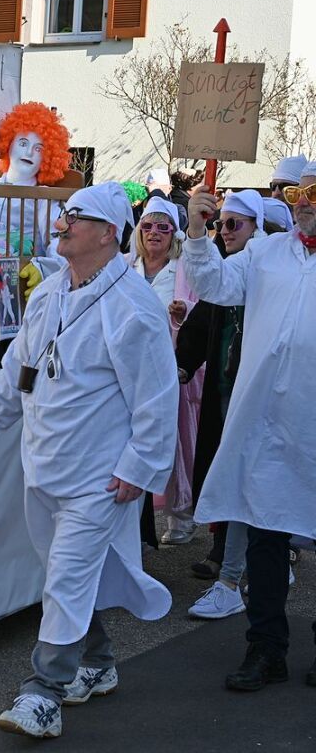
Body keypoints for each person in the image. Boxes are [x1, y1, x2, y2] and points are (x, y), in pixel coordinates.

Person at [0, 182, 178, 739]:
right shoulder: (49, 293)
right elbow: (18, 366)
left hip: (99, 477)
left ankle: (43, 693)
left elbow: (157, 396)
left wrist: (138, 467)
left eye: (78, 217)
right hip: (44, 464)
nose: (64, 222)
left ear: (106, 234)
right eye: (67, 214)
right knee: (64, 575)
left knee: (68, 579)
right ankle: (96, 662)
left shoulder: (133, 307)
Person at [183, 165, 316, 691]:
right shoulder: (264, 253)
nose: (303, 201)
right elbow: (214, 283)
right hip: (266, 423)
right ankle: (266, 648)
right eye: (294, 193)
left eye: (314, 191)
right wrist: (197, 231)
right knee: (265, 535)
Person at [176, 191, 265, 619]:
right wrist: (181, 366)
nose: (225, 232)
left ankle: (260, 564)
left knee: (260, 487)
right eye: (222, 224)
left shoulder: (270, 271)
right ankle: (230, 573)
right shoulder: (231, 273)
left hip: (270, 400)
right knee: (234, 480)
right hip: (229, 396)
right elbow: (203, 314)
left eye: (234, 224)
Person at [128, 196, 202, 547]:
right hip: (132, 368)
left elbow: (203, 307)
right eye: (148, 226)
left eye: (163, 227)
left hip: (171, 366)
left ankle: (180, 515)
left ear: (174, 234)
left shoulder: (183, 268)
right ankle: (137, 519)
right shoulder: (126, 266)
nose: (154, 233)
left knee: (177, 443)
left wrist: (183, 309)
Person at [0, 102, 71, 257]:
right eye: (23, 143)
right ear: (8, 144)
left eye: (38, 149)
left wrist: (42, 268)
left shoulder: (44, 200)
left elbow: (58, 243)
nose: (29, 152)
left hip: (22, 277)